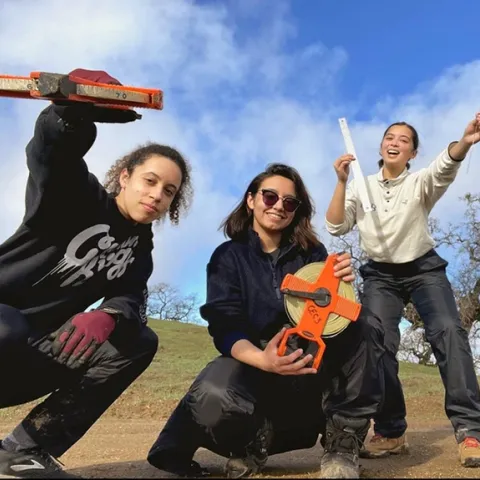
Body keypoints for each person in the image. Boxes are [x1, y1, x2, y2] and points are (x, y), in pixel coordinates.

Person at [0, 69, 193, 478]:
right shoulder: (76, 199)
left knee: (138, 340)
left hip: (26, 357)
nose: (157, 195)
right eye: (150, 181)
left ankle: (22, 452)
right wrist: (71, 113)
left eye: (169, 191)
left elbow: (132, 297)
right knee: (8, 325)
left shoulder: (140, 250)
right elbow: (54, 156)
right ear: (124, 177)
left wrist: (109, 314)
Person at [147, 163, 386, 479]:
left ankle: (342, 446)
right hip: (256, 369)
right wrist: (262, 359)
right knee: (213, 392)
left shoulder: (313, 253)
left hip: (309, 366)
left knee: (367, 325)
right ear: (251, 200)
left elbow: (330, 318)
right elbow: (224, 325)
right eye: (270, 196)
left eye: (290, 202)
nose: (279, 206)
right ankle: (250, 444)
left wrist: (341, 287)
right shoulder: (227, 257)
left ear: (296, 211)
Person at [324, 115, 480, 467]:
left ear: (412, 152)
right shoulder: (361, 187)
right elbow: (335, 225)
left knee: (449, 332)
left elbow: (444, 166)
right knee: (375, 342)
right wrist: (340, 181)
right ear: (381, 146)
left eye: (404, 140)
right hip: (380, 276)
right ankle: (391, 431)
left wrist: (465, 141)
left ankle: (470, 430)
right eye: (389, 137)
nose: (395, 142)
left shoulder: (420, 182)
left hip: (424, 268)